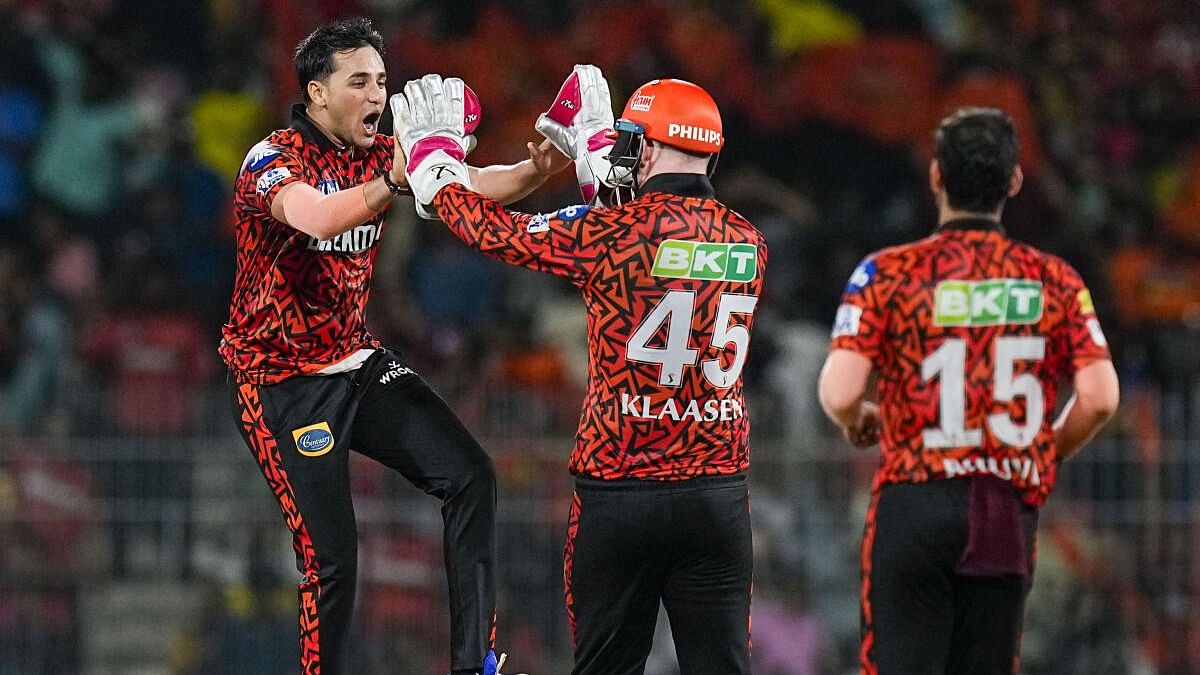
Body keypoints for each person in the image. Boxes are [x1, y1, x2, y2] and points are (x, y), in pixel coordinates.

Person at [219, 17, 568, 675]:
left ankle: (475, 666)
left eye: (382, 79)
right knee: (333, 556)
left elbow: (474, 188)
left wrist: (538, 167)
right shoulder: (270, 159)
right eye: (359, 81)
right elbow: (319, 216)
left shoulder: (384, 155)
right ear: (318, 93)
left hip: (354, 360)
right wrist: (397, 181)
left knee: (471, 476)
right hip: (280, 383)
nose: (378, 95)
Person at [392, 67, 767, 674]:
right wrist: (594, 148)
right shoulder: (750, 241)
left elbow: (498, 232)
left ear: (646, 146)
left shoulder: (606, 236)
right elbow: (658, 236)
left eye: (629, 140)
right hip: (718, 496)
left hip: (620, 492)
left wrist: (436, 166)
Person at [817, 107, 1120, 674]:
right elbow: (1101, 397)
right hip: (1003, 505)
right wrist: (1041, 450)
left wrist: (858, 417)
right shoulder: (1055, 280)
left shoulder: (887, 274)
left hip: (915, 498)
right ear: (1014, 181)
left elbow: (838, 390)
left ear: (935, 176)